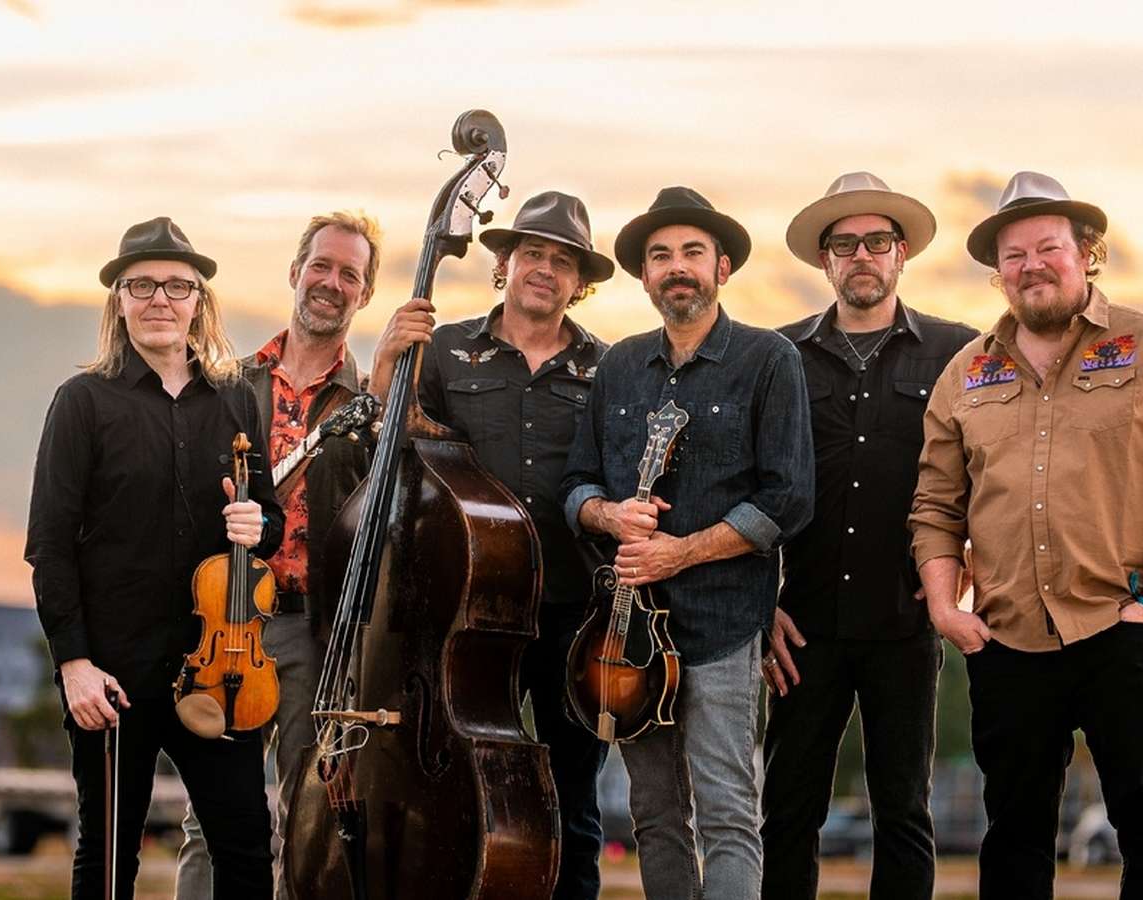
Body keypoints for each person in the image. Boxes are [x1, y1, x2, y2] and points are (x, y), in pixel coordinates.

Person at [910, 172, 1143, 899]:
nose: (1031, 265)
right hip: (1008, 640)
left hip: (1123, 629)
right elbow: (935, 506)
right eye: (1014, 254)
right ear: (998, 273)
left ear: (1087, 252)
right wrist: (944, 609)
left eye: (1048, 247)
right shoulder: (965, 374)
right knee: (1014, 838)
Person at [562, 186, 814, 900]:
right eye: (661, 256)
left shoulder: (769, 360)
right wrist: (608, 517)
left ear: (723, 268)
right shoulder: (617, 368)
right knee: (653, 813)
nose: (678, 268)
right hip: (629, 631)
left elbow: (788, 498)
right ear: (645, 276)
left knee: (729, 811)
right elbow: (575, 484)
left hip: (726, 624)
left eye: (692, 254)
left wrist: (684, 550)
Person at [25, 217, 282, 899]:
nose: (159, 299)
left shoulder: (235, 402)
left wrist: (259, 524)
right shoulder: (83, 403)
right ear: (119, 300)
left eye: (176, 285)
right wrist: (73, 663)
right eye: (142, 285)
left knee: (248, 852)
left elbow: (274, 526)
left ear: (200, 300)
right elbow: (48, 546)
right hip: (112, 674)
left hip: (220, 670)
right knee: (109, 861)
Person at [369, 190, 614, 900]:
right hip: (466, 610)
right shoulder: (446, 349)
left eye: (563, 261)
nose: (545, 269)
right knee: (459, 787)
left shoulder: (610, 367)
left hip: (571, 608)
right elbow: (405, 451)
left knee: (575, 799)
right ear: (503, 264)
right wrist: (386, 367)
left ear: (579, 281)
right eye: (532, 253)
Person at [764, 172, 977, 900]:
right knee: (787, 808)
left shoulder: (958, 350)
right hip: (802, 625)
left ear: (902, 253)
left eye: (876, 241)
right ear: (824, 260)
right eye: (844, 244)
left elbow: (994, 464)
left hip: (905, 617)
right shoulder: (778, 355)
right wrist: (763, 600)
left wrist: (968, 557)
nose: (861, 255)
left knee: (903, 810)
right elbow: (749, 483)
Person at [175, 211, 381, 898]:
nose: (331, 282)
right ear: (295, 273)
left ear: (365, 294)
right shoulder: (230, 386)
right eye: (321, 266)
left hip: (319, 631)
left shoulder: (376, 403)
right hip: (230, 624)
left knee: (306, 820)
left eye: (350, 274)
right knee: (209, 820)